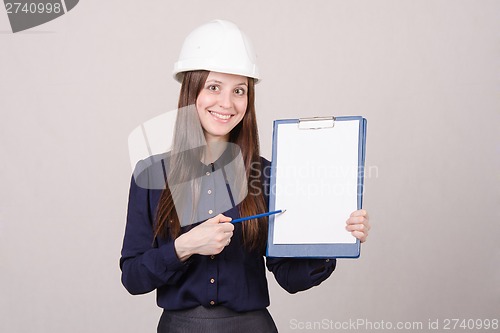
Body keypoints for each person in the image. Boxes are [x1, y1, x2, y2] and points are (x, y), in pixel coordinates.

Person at [120, 19, 370, 333]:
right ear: (191, 90)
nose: (227, 103)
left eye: (239, 91)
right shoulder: (151, 175)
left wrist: (332, 238)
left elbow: (288, 276)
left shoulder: (265, 174)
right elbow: (133, 277)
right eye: (214, 87)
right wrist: (185, 246)